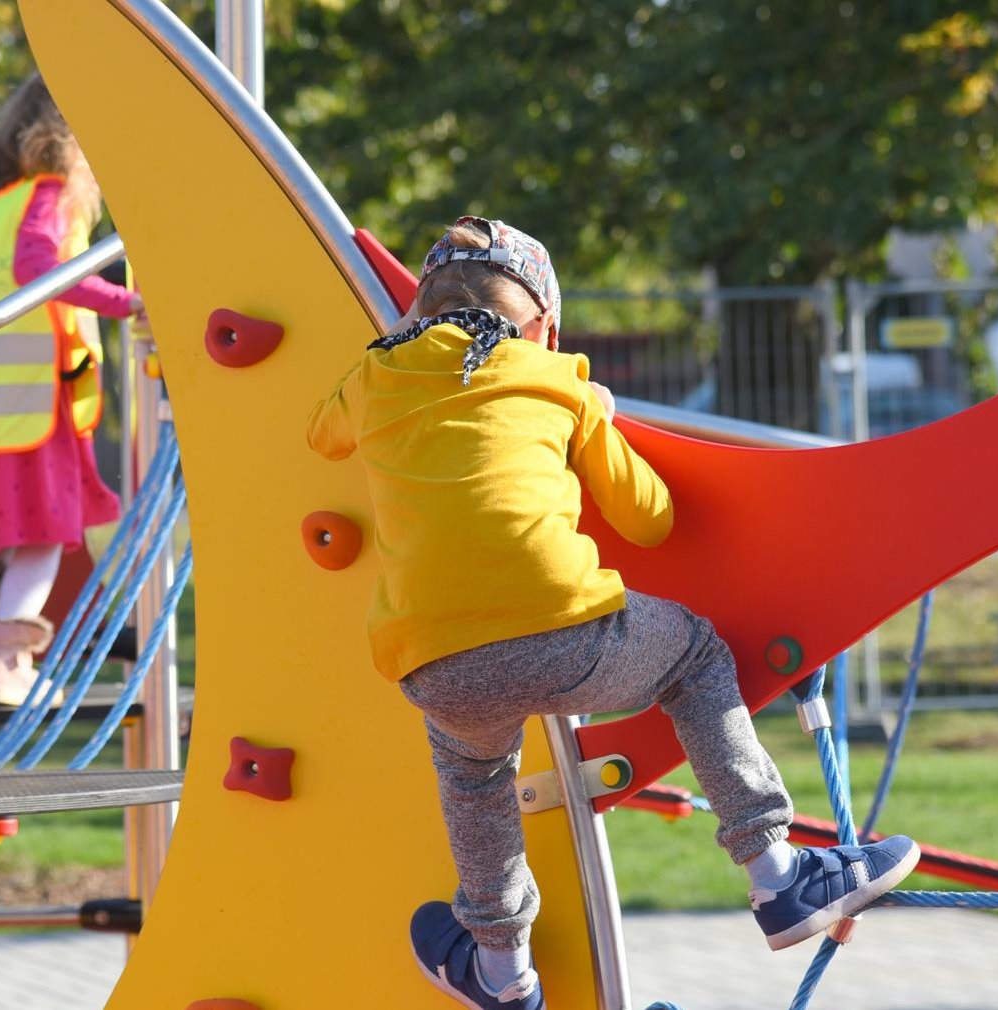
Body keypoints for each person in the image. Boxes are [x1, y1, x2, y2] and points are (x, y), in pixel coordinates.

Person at [307, 216, 922, 1009]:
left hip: (433, 658)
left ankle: (502, 968)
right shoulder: (557, 379)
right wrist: (594, 410)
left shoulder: (371, 378)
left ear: (418, 310)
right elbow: (650, 519)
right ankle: (774, 873)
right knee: (695, 655)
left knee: (473, 777)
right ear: (543, 321)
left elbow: (322, 435)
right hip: (565, 631)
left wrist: (396, 347)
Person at [0, 74, 143, 704]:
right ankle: (4, 668)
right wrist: (131, 302)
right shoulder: (50, 195)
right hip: (38, 403)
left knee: (14, 538)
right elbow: (40, 270)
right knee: (45, 538)